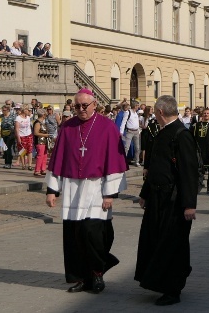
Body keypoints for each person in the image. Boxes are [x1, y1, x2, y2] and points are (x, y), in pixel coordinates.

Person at [45, 88, 128, 294]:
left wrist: (110, 193)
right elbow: (57, 160)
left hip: (96, 188)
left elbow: (114, 161)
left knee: (94, 234)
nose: (81, 109)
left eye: (85, 106)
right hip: (73, 188)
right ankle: (82, 278)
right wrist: (52, 190)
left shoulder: (107, 127)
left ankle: (97, 273)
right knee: (74, 237)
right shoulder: (67, 126)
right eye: (77, 106)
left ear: (94, 105)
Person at [135, 95, 198, 306]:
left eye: (154, 111)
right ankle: (158, 282)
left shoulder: (181, 135)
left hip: (173, 200)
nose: (154, 114)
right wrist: (145, 193)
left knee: (172, 244)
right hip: (156, 198)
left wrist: (189, 204)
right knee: (155, 240)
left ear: (161, 112)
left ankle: (173, 289)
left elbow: (189, 172)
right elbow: (154, 167)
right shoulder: (162, 132)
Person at [190, 108, 209, 194]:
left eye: (207, 113)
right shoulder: (197, 125)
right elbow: (192, 137)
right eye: (204, 113)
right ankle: (198, 185)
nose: (206, 115)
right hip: (200, 150)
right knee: (199, 169)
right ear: (201, 115)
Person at [119, 100, 141, 166]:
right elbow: (123, 122)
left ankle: (136, 160)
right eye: (137, 105)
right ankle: (123, 161)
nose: (138, 107)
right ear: (135, 106)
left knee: (137, 147)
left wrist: (139, 130)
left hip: (136, 131)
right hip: (130, 131)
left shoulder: (136, 113)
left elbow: (137, 122)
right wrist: (121, 131)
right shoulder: (128, 112)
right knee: (126, 147)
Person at [15, 106, 34, 171]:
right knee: (22, 151)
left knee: (30, 150)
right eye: (27, 109)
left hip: (28, 135)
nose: (28, 111)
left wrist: (31, 135)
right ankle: (23, 164)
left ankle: (30, 165)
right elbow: (17, 129)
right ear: (23, 110)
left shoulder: (28, 118)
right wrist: (18, 138)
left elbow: (29, 127)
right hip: (21, 135)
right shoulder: (18, 118)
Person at [33, 109, 50, 177]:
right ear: (43, 115)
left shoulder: (43, 122)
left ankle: (43, 169)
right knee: (40, 156)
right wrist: (45, 135)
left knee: (45, 155)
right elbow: (36, 133)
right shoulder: (37, 123)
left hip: (44, 141)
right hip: (39, 141)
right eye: (45, 115)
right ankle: (37, 170)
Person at [0, 104, 16, 169]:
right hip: (3, 134)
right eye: (3, 110)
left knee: (8, 148)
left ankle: (9, 163)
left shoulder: (12, 116)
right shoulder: (1, 116)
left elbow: (15, 125)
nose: (4, 112)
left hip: (11, 134)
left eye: (5, 110)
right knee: (5, 148)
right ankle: (6, 162)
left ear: (8, 110)